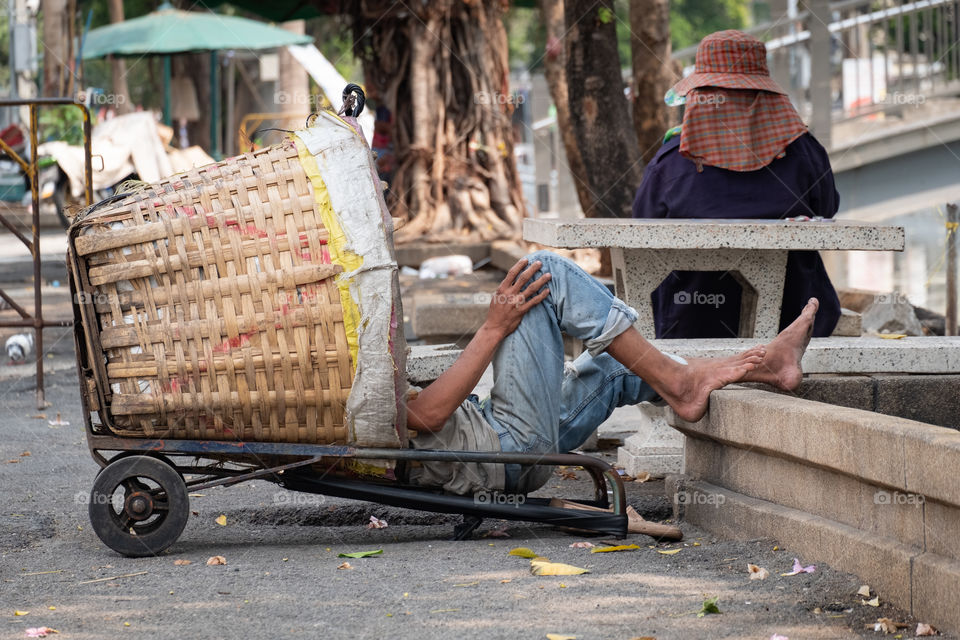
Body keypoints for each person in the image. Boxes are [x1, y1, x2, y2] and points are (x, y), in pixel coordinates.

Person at [405, 251, 817, 497]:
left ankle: (765, 368)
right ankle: (682, 384)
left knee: (620, 363)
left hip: (496, 435)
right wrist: (493, 328)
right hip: (502, 447)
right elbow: (426, 417)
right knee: (542, 270)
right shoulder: (345, 383)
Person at [632, 30, 841, 339]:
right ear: (766, 93)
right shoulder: (804, 151)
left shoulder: (671, 160)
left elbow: (643, 223)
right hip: (795, 325)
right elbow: (827, 208)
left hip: (689, 325)